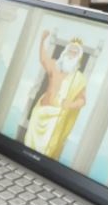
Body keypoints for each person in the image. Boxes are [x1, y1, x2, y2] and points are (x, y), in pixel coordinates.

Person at [24, 30, 87, 159]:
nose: (72, 53)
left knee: (45, 151)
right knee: (28, 146)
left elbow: (82, 100)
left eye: (75, 51)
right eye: (70, 49)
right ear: (65, 51)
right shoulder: (54, 65)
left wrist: (71, 104)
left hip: (56, 116)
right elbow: (43, 59)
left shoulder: (79, 78)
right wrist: (42, 40)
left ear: (79, 56)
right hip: (40, 110)